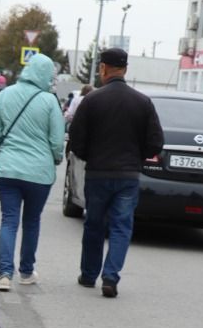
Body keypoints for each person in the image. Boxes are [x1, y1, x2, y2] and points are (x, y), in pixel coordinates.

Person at [67, 47, 163, 297]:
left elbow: (76, 140)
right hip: (128, 175)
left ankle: (88, 275)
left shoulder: (92, 100)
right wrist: (136, 157)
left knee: (94, 225)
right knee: (121, 227)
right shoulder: (143, 102)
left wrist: (92, 156)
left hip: (98, 173)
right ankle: (110, 277)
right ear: (126, 69)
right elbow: (156, 143)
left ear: (103, 68)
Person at [0, 51, 64, 290]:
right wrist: (56, 157)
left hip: (7, 169)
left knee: (9, 220)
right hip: (39, 173)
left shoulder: (6, 94)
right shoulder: (50, 100)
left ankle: (4, 275)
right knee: (31, 221)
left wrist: (1, 148)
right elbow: (56, 140)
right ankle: (27, 271)